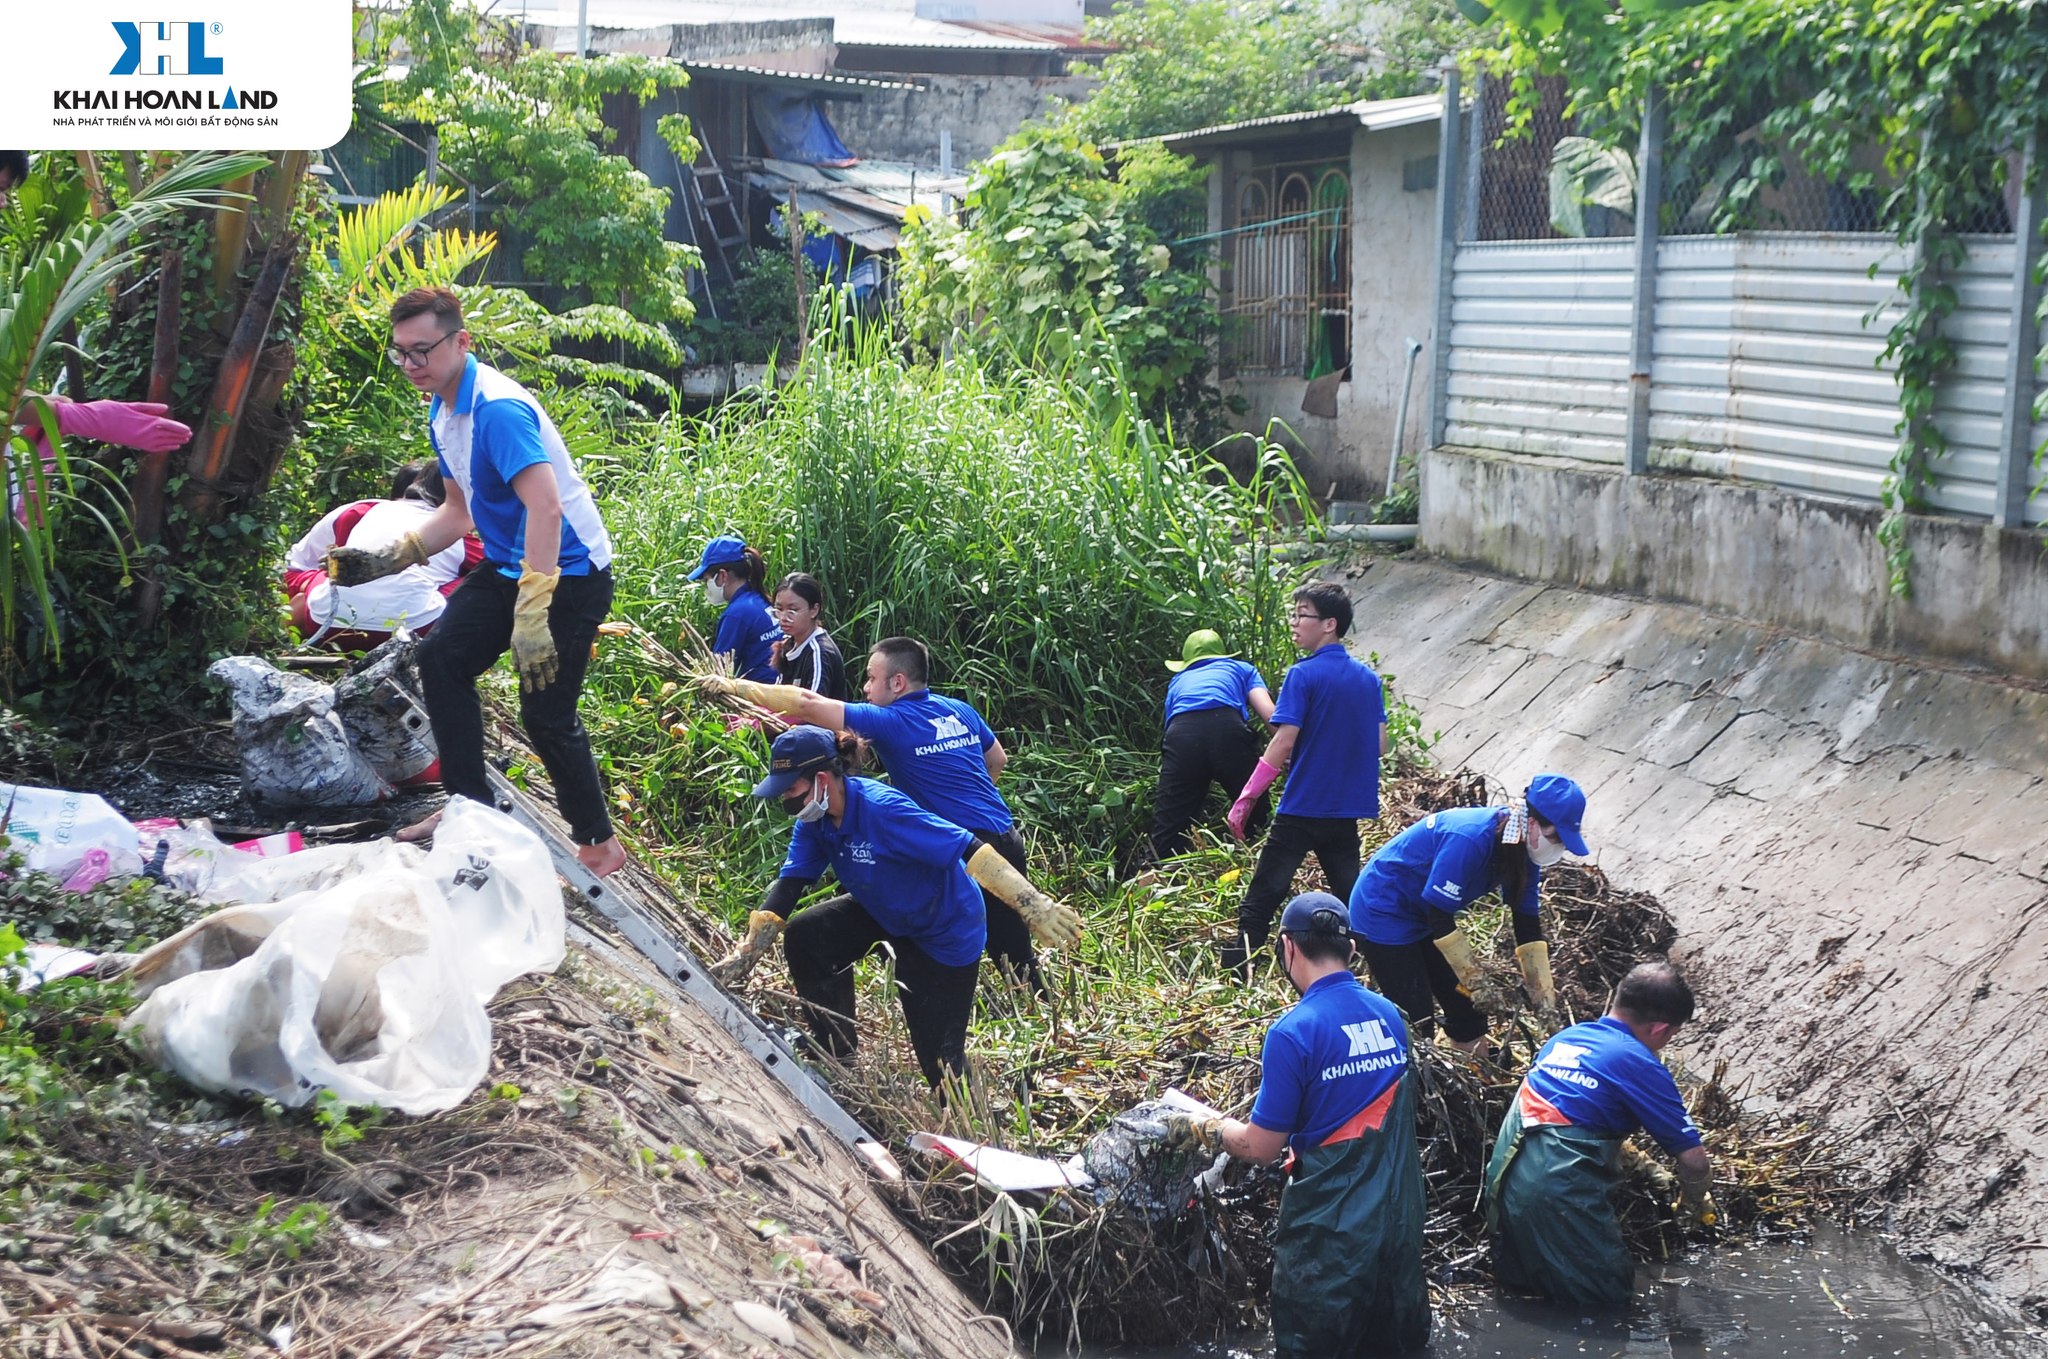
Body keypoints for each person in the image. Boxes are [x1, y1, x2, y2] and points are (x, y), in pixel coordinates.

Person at [323, 286, 626, 877]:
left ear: (462, 341)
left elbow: (547, 510)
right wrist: (388, 558)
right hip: (511, 565)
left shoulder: (496, 410)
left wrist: (533, 614)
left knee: (545, 709)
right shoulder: (441, 407)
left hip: (570, 574)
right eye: (401, 354)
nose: (411, 365)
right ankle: (467, 809)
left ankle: (598, 843)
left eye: (423, 351)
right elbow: (457, 514)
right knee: (442, 660)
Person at [709, 725, 1082, 1084]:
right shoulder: (815, 821)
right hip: (884, 908)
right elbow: (790, 885)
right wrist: (747, 953)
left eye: (791, 789)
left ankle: (971, 1132)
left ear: (823, 778)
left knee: (940, 1062)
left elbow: (968, 847)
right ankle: (835, 1053)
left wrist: (1033, 905)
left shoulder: (883, 810)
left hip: (942, 929)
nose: (786, 800)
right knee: (808, 936)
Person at [701, 637, 1048, 993]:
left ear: (897, 683)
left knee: (931, 930)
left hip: (964, 849)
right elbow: (997, 760)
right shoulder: (959, 710)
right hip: (1004, 836)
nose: (865, 688)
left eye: (871, 678)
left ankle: (957, 1003)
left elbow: (807, 703)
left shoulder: (888, 721)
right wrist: (967, 800)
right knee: (1015, 950)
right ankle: (1031, 1004)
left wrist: (736, 687)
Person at [1163, 893, 1430, 1356]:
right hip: (1399, 1224)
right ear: (1349, 949)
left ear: (1288, 947)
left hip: (1333, 1234)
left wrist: (1203, 1126)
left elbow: (1262, 1147)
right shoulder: (1391, 1016)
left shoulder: (1294, 1032)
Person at [1485, 960, 1718, 1307]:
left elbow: (1569, 1120)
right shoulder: (1638, 1062)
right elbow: (1695, 1162)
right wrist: (1692, 1203)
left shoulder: (1563, 1040)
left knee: (1534, 1299)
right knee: (1606, 1305)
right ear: (1660, 1029)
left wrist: (1652, 1171)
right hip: (1558, 1194)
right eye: (1671, 1035)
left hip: (1505, 1188)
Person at [1348, 775, 1588, 1051]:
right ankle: (1416, 1083)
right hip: (1383, 909)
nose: (1557, 847)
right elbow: (1439, 917)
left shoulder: (1524, 851)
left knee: (1468, 1010)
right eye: (1555, 838)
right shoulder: (1470, 838)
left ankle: (1477, 1074)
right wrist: (1476, 980)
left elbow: (1527, 927)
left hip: (1425, 916)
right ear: (1532, 823)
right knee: (1417, 1019)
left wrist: (1544, 1003)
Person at [1222, 582, 1387, 975]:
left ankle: (1236, 973)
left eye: (1302, 615)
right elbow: (1379, 744)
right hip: (1344, 811)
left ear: (1329, 624)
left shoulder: (1303, 675)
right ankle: (1382, 968)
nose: (1294, 623)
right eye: (1293, 614)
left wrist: (1246, 798)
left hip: (1303, 806)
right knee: (1353, 896)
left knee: (1264, 893)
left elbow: (1283, 742)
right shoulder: (1368, 679)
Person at [282, 462, 483, 650]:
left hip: (323, 621)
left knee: (328, 574)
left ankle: (288, 627)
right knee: (485, 579)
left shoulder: (358, 511)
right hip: (417, 629)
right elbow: (497, 572)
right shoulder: (460, 537)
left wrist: (308, 588)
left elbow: (293, 570)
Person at [1147, 628, 1275, 862]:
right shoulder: (1242, 669)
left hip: (1182, 736)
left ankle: (1156, 871)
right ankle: (1258, 858)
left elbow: (1171, 726)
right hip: (1227, 730)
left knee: (1169, 824)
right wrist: (1289, 751)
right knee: (1258, 815)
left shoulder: (1178, 680)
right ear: (1222, 654)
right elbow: (1270, 714)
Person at [688, 535, 780, 683]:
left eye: (707, 580)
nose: (706, 587)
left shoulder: (736, 614)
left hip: (760, 695)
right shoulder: (758, 598)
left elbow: (719, 671)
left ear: (723, 576)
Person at [770, 572, 848, 701]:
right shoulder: (790, 645)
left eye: (792, 610)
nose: (783, 618)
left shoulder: (819, 652)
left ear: (814, 610)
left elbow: (814, 707)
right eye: (779, 609)